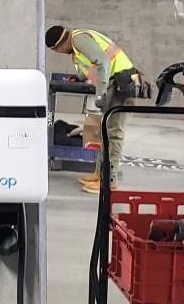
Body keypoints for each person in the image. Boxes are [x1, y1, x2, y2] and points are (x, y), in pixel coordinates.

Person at [45, 24, 140, 194]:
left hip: (121, 85)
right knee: (105, 132)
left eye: (57, 50)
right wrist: (80, 77)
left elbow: (102, 60)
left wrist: (100, 94)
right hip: (116, 83)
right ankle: (99, 174)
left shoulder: (79, 39)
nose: (59, 53)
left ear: (60, 45)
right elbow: (93, 65)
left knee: (114, 133)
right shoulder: (77, 44)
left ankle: (109, 181)